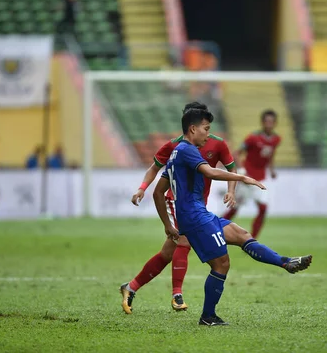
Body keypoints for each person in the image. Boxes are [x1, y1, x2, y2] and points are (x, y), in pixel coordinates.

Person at [152, 107, 312, 326]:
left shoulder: (176, 153)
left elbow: (157, 192)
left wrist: (168, 225)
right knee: (221, 264)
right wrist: (241, 177)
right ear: (192, 128)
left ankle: (286, 262)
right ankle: (208, 316)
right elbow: (210, 172)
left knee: (241, 234)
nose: (208, 134)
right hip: (195, 218)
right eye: (205, 129)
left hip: (198, 215)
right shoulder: (188, 150)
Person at [121, 102, 237, 314]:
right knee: (183, 241)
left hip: (197, 205)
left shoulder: (217, 144)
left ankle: (130, 287)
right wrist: (142, 188)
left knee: (168, 252)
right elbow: (154, 168)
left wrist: (232, 190)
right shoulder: (174, 145)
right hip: (176, 201)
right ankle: (177, 294)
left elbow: (230, 167)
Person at [222, 110, 281, 238]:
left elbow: (270, 155)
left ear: (275, 123)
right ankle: (215, 231)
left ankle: (252, 240)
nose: (269, 124)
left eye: (271, 122)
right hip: (246, 179)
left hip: (260, 179)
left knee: (263, 208)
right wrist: (242, 169)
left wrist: (271, 170)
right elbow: (236, 154)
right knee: (234, 208)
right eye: (267, 121)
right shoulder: (253, 138)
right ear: (262, 122)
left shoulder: (276, 139)